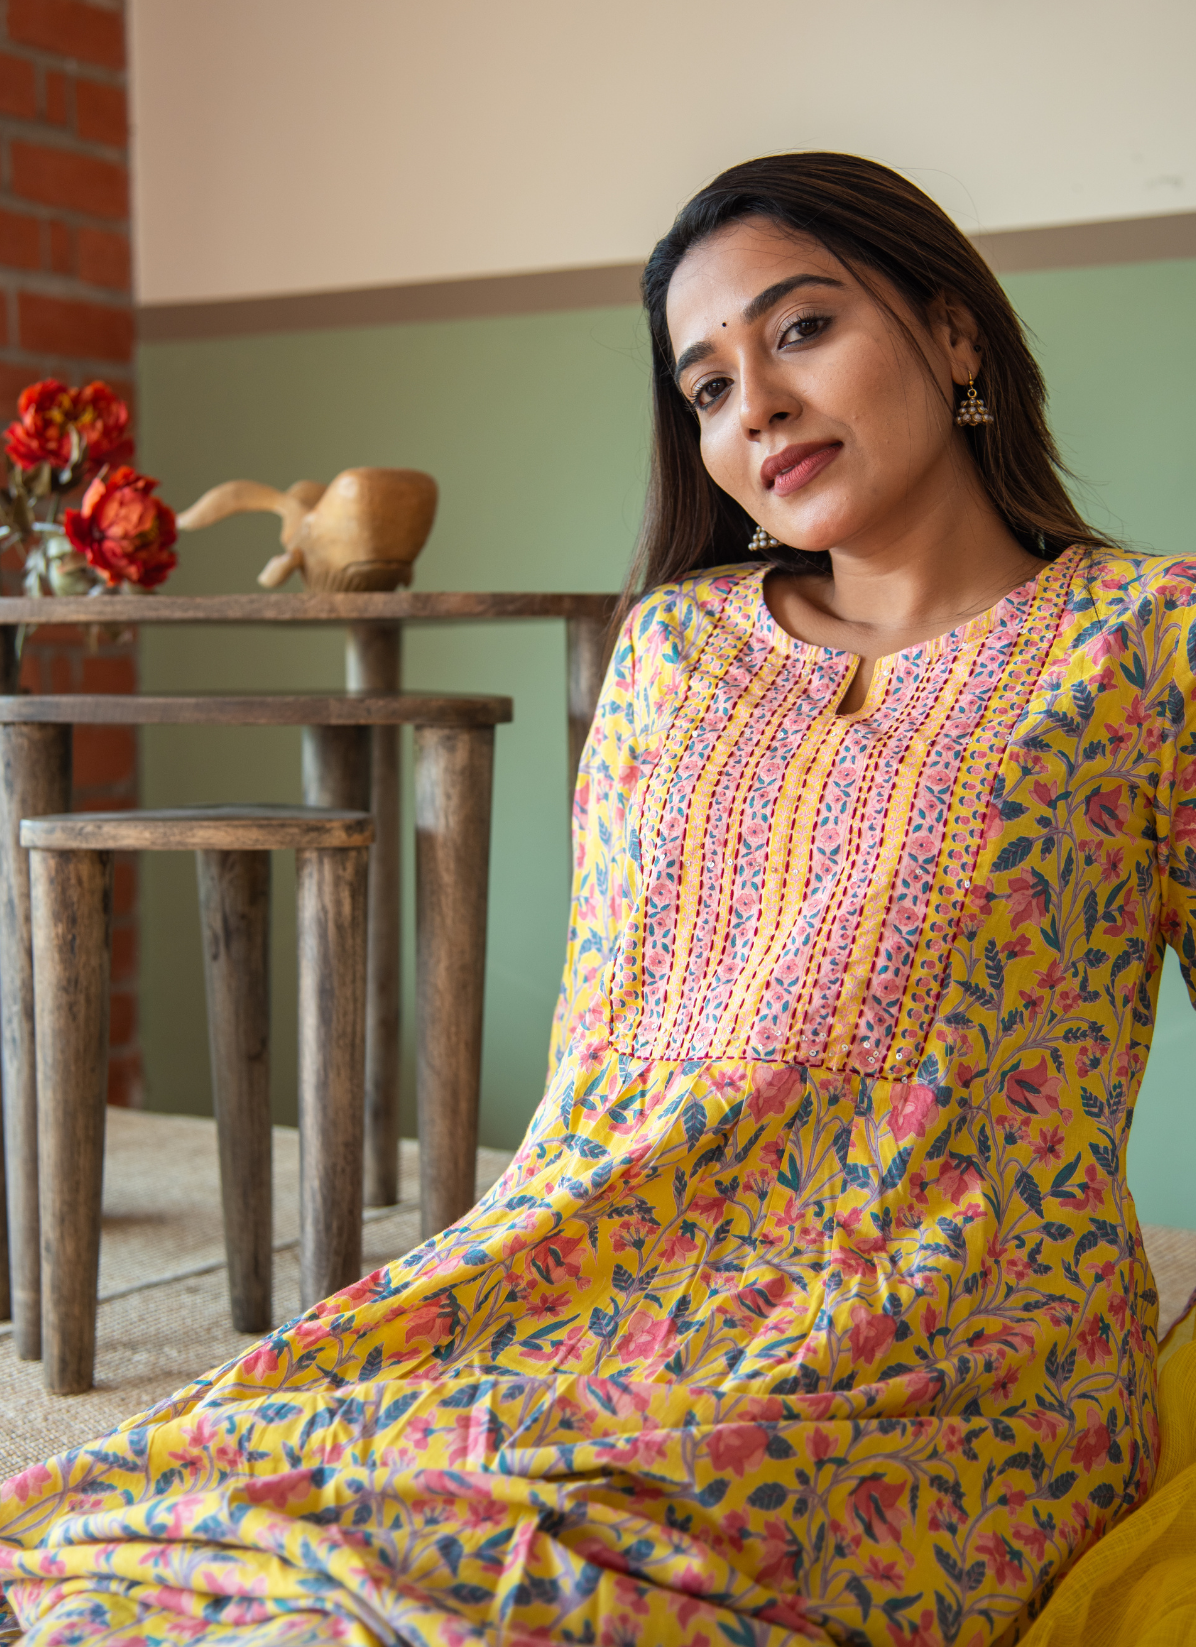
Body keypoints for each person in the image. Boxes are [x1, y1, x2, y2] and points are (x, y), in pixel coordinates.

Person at [1, 150, 1194, 1646]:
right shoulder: (675, 649)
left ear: (954, 333)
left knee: (557, 1585)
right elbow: (604, 1052)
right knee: (225, 1496)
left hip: (943, 1320)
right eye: (707, 386)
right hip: (607, 1256)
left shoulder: (1148, 641)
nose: (754, 406)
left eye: (802, 329)